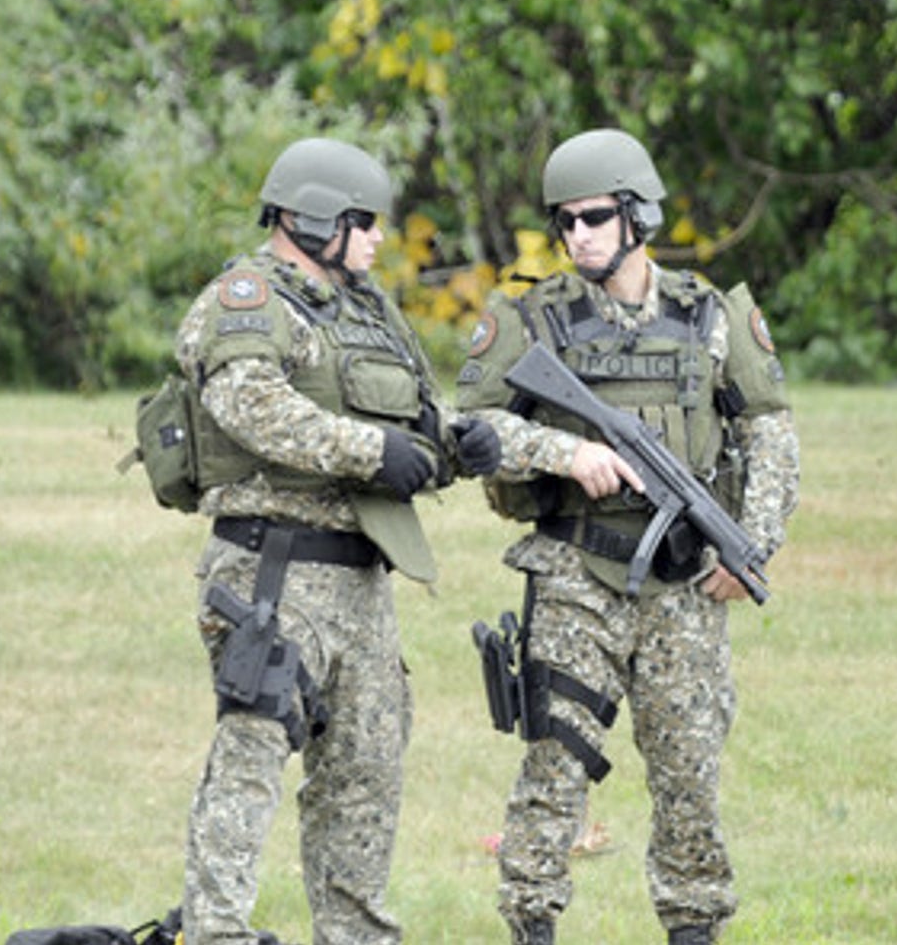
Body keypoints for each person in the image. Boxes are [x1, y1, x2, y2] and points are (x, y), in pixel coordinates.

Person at [455, 128, 800, 945]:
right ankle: (531, 922)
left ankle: (694, 926)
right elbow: (467, 429)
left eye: (596, 218)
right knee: (555, 764)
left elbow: (772, 435)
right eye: (565, 221)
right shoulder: (531, 318)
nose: (578, 236)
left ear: (638, 216)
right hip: (575, 572)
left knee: (690, 775)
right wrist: (566, 452)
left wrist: (749, 541)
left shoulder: (709, 316)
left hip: (684, 585)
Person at [173, 136, 506, 944]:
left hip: (363, 579)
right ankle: (215, 933)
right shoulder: (247, 299)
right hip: (272, 572)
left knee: (365, 775)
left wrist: (463, 444)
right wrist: (373, 453)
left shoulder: (367, 312)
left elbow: (415, 420)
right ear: (312, 217)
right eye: (365, 222)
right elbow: (250, 405)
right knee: (251, 758)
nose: (379, 238)